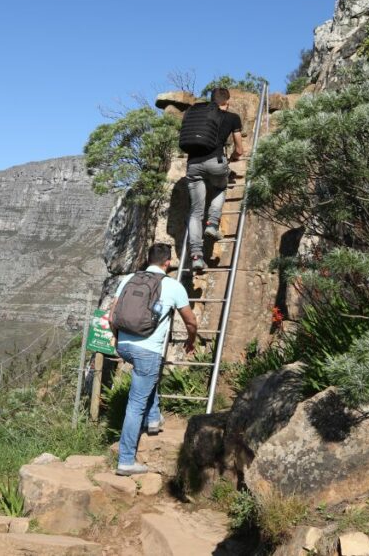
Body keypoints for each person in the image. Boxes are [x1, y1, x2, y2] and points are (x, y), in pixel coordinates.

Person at [111, 243, 198, 476]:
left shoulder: (129, 279)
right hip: (147, 350)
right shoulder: (173, 286)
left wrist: (117, 339)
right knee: (136, 403)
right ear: (167, 262)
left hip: (125, 346)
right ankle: (126, 460)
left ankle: (153, 419)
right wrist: (191, 339)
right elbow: (190, 321)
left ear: (148, 259)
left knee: (147, 375)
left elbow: (112, 315)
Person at [186, 87, 245, 271]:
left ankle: (196, 256)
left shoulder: (197, 115)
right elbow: (239, 149)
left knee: (195, 212)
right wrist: (234, 157)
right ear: (227, 101)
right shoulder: (232, 117)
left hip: (193, 164)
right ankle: (212, 223)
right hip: (216, 163)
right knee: (220, 187)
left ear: (212, 100)